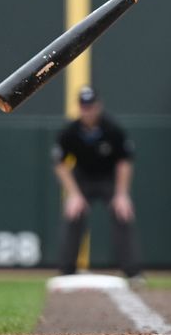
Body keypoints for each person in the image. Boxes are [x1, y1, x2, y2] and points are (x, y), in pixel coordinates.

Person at [53, 85, 142, 281]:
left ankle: (132, 272)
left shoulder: (113, 129)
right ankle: (66, 271)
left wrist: (121, 194)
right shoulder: (70, 131)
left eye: (91, 106)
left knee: (123, 213)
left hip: (109, 178)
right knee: (73, 214)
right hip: (82, 179)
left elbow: (124, 162)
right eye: (84, 106)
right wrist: (74, 195)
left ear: (98, 106)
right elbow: (59, 165)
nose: (88, 111)